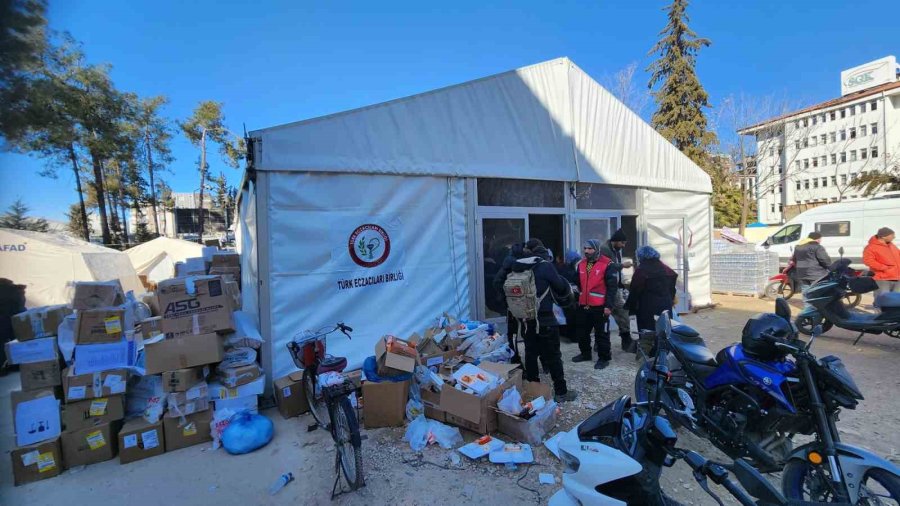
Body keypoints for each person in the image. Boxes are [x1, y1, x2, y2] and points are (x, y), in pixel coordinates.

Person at [508, 238, 577, 402]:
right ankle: (561, 392)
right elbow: (560, 286)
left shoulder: (516, 266)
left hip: (526, 320)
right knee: (554, 356)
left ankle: (534, 392)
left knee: (531, 355)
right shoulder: (545, 266)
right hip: (545, 319)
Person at [572, 239, 619, 370]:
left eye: (590, 249)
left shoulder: (608, 264)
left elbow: (612, 288)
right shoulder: (581, 264)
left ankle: (604, 358)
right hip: (584, 305)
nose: (586, 251)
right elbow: (578, 283)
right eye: (585, 249)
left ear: (597, 249)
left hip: (600, 306)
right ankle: (585, 354)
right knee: (582, 332)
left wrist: (609, 306)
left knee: (601, 334)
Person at [626, 246, 678, 356]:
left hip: (647, 306)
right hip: (665, 304)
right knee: (663, 329)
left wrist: (631, 306)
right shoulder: (664, 267)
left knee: (647, 330)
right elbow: (673, 278)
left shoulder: (641, 270)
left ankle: (645, 355)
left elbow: (635, 289)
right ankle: (661, 353)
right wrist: (671, 298)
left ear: (641, 256)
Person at [599, 229, 634, 352]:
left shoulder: (615, 250)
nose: (623, 246)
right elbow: (605, 267)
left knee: (621, 312)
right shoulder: (604, 250)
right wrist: (622, 266)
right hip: (607, 288)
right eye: (622, 243)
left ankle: (625, 339)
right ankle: (624, 340)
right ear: (616, 241)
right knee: (615, 313)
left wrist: (621, 284)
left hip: (615, 287)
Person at [493, 242, 526, 363]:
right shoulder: (526, 265)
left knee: (512, 333)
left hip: (510, 306)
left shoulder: (506, 264)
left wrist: (505, 296)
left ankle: (515, 358)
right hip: (525, 305)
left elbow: (496, 282)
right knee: (527, 332)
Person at [793, 232, 831, 312]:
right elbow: (825, 260)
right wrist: (830, 267)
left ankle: (808, 310)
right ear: (817, 239)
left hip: (802, 273)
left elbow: (794, 259)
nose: (820, 241)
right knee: (819, 292)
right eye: (820, 239)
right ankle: (820, 310)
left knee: (806, 292)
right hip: (817, 274)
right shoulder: (817, 247)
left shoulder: (798, 247)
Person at [863, 227, 900, 304]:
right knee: (883, 301)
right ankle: (880, 315)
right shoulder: (870, 247)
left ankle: (894, 316)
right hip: (882, 279)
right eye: (892, 235)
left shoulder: (891, 245)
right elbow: (868, 261)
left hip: (897, 277)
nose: (894, 237)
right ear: (883, 236)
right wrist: (884, 268)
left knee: (896, 301)